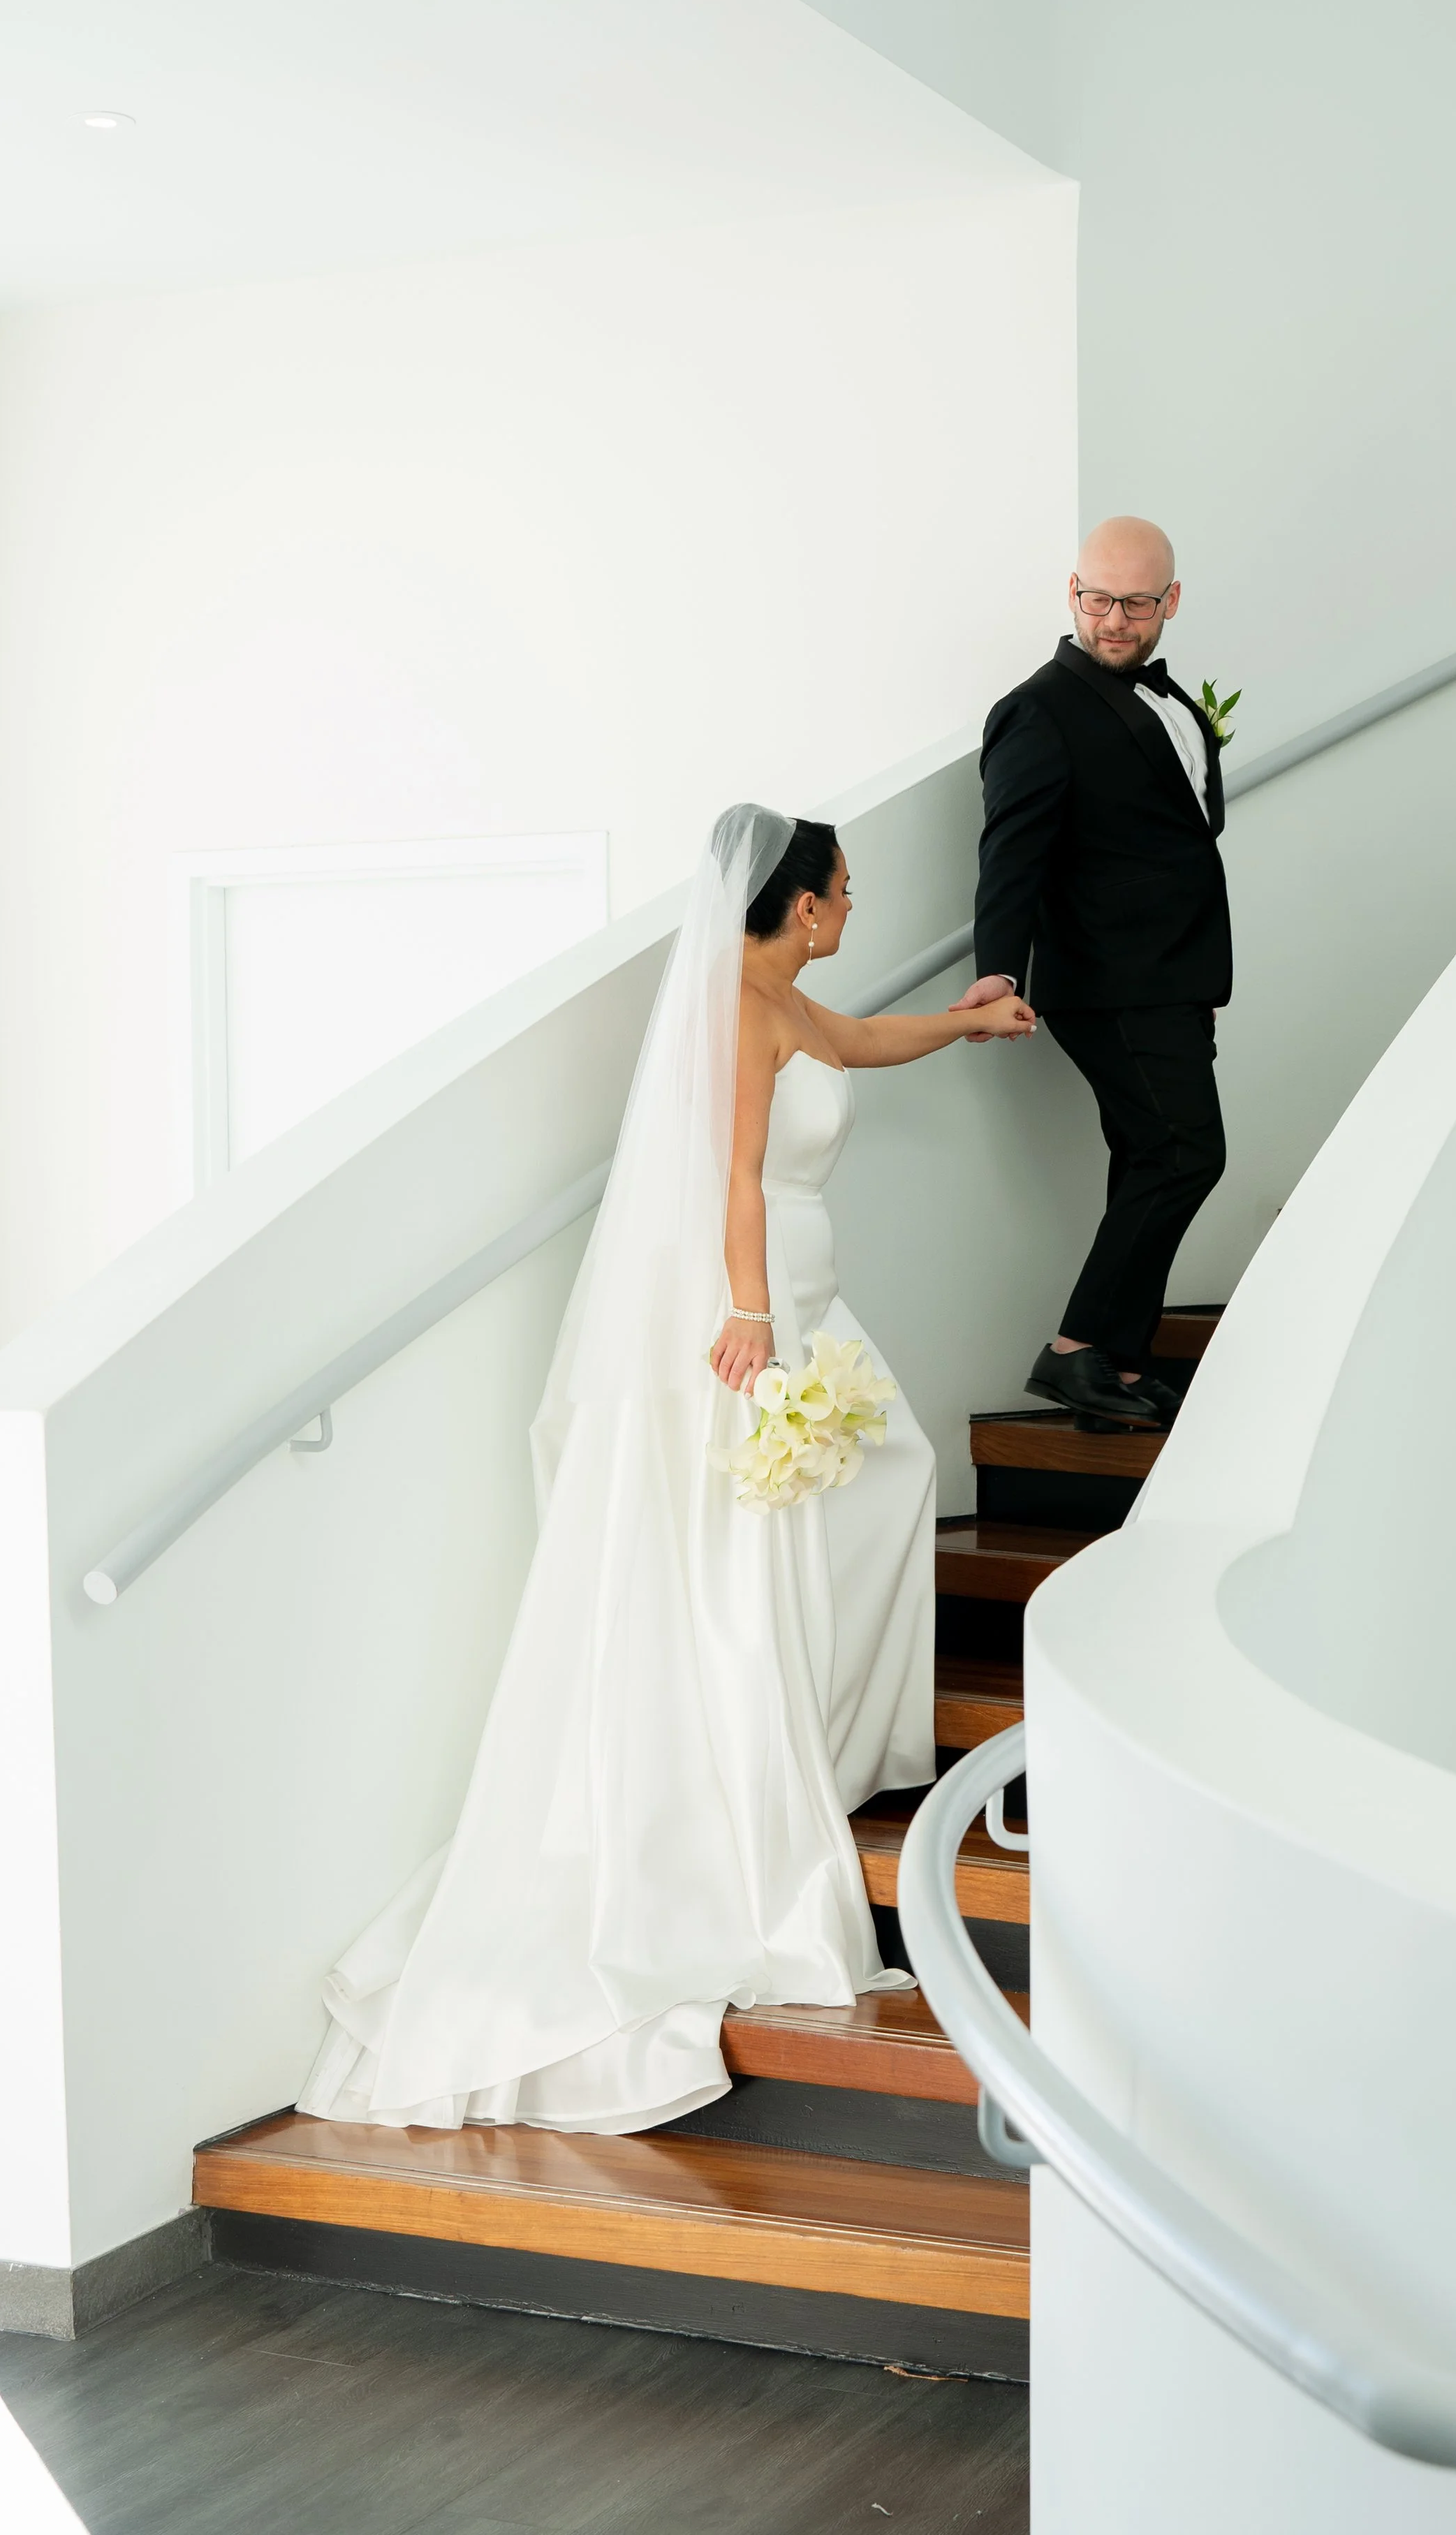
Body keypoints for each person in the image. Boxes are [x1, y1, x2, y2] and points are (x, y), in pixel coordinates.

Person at [298, 804, 1033, 2138]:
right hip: (765, 1305)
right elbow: (737, 1176)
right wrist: (752, 1317)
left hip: (816, 1294)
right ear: (800, 904)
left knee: (894, 1476)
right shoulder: (732, 1009)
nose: (855, 907)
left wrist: (965, 1022)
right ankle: (774, 1751)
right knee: (764, 1538)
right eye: (847, 891)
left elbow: (863, 1041)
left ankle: (831, 1733)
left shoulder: (798, 1001)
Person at [953, 515, 1230, 1432]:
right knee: (1188, 1151)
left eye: (1137, 604)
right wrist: (999, 970)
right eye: (1097, 599)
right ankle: (1075, 1350)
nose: (1114, 621)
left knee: (1147, 1157)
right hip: (1111, 982)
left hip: (1176, 976)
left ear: (1171, 603)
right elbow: (1011, 855)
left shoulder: (1177, 705)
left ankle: (1118, 1361)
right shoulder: (1039, 709)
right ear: (1073, 594)